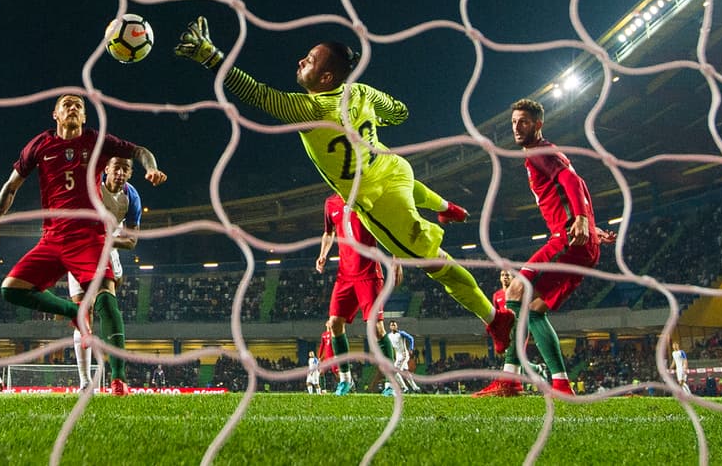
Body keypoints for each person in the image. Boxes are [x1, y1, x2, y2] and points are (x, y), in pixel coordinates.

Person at [174, 20, 514, 352]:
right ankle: (445, 208)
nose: (300, 61)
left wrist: (211, 56)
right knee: (408, 192)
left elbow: (258, 94)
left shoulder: (310, 108)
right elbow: (400, 113)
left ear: (325, 77)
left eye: (308, 60)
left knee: (438, 266)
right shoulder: (361, 91)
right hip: (395, 168)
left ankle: (494, 318)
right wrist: (382, 114)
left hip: (378, 201)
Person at [0, 93, 167, 397]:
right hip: (52, 237)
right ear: (55, 114)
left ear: (84, 117)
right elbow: (11, 186)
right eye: (67, 104)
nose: (73, 107)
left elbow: (139, 151)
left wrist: (150, 168)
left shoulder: (96, 141)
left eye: (79, 105)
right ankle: (74, 312)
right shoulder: (40, 145)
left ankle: (118, 379)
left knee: (107, 297)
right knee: (10, 288)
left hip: (88, 236)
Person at [473, 98, 615, 398]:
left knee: (513, 294)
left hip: (566, 240)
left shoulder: (539, 151)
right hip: (581, 245)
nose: (516, 127)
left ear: (538, 124)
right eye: (513, 122)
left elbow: (572, 181)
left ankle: (508, 381)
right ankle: (561, 384)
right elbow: (574, 187)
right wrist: (590, 226)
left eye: (523, 121)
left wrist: (579, 219)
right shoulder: (544, 153)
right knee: (533, 311)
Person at [67, 155, 143, 392]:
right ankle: (85, 382)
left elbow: (131, 242)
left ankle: (118, 378)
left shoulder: (131, 197)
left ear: (130, 174)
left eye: (126, 169)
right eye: (116, 168)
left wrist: (105, 240)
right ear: (106, 169)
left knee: (107, 306)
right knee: (82, 316)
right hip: (78, 250)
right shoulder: (89, 185)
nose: (120, 173)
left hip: (107, 252)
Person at [315, 192, 402, 395]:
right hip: (344, 275)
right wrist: (323, 254)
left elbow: (391, 228)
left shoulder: (366, 196)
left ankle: (391, 382)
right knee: (335, 323)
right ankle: (346, 380)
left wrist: (396, 262)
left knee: (377, 328)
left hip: (369, 274)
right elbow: (329, 233)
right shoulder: (330, 203)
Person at [386, 319, 422, 393]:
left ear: (396, 326)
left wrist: (411, 348)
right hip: (398, 355)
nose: (393, 326)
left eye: (394, 325)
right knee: (406, 372)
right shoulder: (389, 336)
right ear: (389, 327)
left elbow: (411, 338)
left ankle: (404, 388)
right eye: (392, 325)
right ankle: (416, 388)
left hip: (403, 355)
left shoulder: (401, 333)